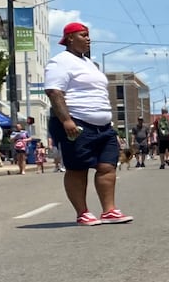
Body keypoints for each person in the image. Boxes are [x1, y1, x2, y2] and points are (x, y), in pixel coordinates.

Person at [44, 21, 132, 225]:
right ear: (70, 38)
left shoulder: (90, 64)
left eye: (88, 35)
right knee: (77, 168)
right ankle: (82, 212)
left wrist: (111, 126)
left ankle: (109, 210)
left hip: (103, 126)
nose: (88, 38)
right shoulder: (60, 62)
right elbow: (54, 92)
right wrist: (66, 120)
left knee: (107, 166)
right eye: (83, 35)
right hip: (77, 123)